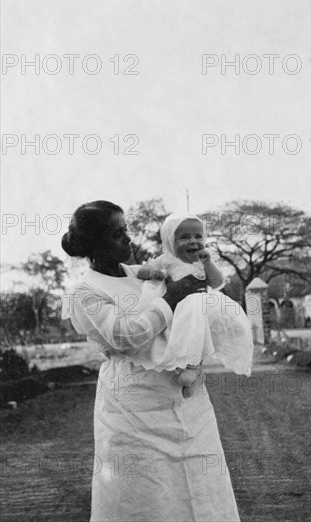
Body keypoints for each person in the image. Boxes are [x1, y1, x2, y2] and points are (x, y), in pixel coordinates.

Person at [61, 200, 242, 522]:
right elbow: (125, 337)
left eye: (126, 230)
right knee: (144, 491)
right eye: (117, 234)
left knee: (200, 481)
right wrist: (172, 299)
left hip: (184, 399)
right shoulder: (85, 293)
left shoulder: (144, 273)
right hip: (132, 406)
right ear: (94, 243)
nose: (128, 239)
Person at [133, 213, 253, 387]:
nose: (193, 241)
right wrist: (153, 273)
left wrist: (209, 264)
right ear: (170, 242)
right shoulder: (166, 259)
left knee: (214, 331)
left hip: (205, 306)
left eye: (198, 236)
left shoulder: (202, 260)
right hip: (181, 307)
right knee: (186, 337)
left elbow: (217, 283)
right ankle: (187, 368)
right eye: (184, 237)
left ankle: (196, 369)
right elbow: (142, 271)